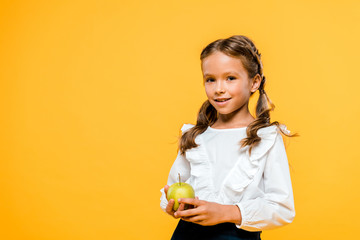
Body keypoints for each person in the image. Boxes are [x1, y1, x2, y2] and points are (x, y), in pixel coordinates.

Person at [159, 35, 297, 240]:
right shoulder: (195, 137)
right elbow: (171, 187)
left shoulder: (266, 139)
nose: (219, 89)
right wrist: (173, 206)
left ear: (254, 82)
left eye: (230, 78)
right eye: (210, 79)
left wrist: (227, 212)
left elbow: (282, 208)